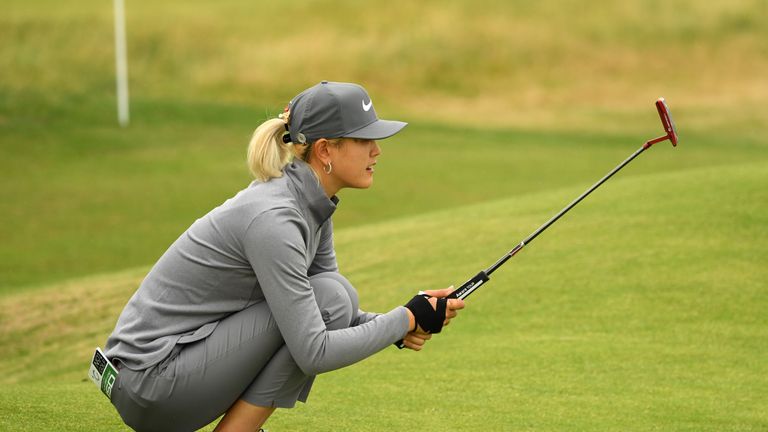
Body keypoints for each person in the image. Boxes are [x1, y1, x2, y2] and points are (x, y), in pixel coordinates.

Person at [102, 81, 466, 432]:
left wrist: (407, 322)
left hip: (167, 374)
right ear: (325, 150)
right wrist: (402, 320)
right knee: (333, 295)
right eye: (363, 139)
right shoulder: (276, 218)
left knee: (334, 295)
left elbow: (332, 316)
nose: (377, 151)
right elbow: (314, 348)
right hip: (152, 384)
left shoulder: (310, 202)